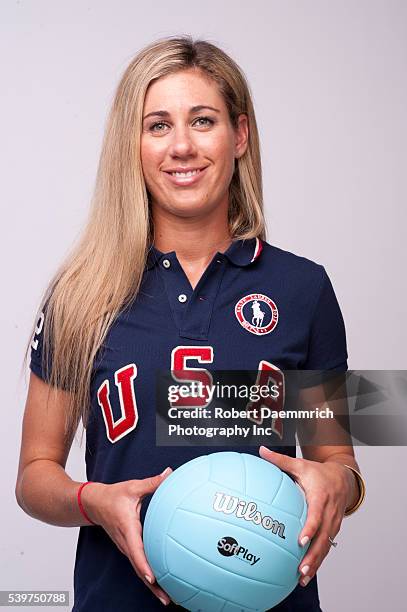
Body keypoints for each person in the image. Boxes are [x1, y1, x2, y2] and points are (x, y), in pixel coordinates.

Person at [16, 36, 365, 611]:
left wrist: (340, 486)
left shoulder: (304, 289)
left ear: (240, 136)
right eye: (157, 125)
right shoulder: (79, 293)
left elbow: (339, 463)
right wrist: (94, 501)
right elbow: (34, 475)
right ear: (134, 145)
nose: (181, 146)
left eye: (203, 121)